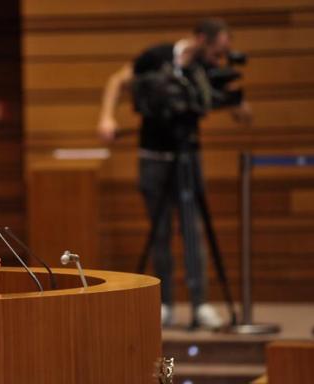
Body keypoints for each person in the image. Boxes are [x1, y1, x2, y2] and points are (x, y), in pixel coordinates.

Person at [98, 19, 251, 328]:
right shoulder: (157, 55)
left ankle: (201, 305)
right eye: (216, 51)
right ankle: (164, 302)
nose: (218, 59)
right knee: (161, 231)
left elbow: (239, 112)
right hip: (153, 157)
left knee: (194, 231)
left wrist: (236, 100)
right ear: (199, 40)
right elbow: (117, 81)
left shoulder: (206, 71)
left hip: (189, 157)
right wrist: (106, 118)